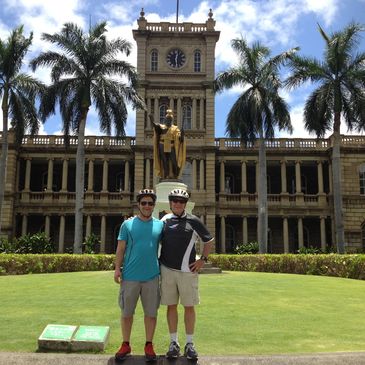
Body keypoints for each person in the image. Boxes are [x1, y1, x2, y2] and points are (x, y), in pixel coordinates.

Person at [159, 188, 214, 360]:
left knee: (189, 306)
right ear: (170, 202)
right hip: (167, 270)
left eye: (181, 201)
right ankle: (173, 342)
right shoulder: (165, 220)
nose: (177, 204)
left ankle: (189, 343)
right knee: (171, 306)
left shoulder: (193, 221)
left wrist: (202, 259)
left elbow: (209, 240)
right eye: (174, 201)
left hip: (187, 272)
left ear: (185, 204)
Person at [114, 189, 163, 362]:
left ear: (154, 205)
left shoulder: (160, 225)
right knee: (127, 312)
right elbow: (120, 248)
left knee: (151, 313)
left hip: (151, 276)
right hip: (130, 276)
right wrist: (117, 268)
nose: (147, 206)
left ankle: (149, 345)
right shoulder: (127, 225)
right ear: (138, 205)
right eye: (144, 203)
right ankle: (125, 344)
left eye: (150, 203)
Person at [151, 109, 186, 179]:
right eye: (167, 119)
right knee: (164, 161)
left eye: (170, 119)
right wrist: (151, 119)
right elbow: (155, 126)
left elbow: (179, 138)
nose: (168, 120)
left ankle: (176, 175)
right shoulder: (161, 126)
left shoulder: (175, 128)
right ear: (165, 120)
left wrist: (182, 135)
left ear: (172, 120)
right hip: (162, 145)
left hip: (171, 145)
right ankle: (165, 175)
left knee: (174, 161)